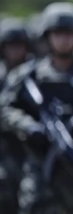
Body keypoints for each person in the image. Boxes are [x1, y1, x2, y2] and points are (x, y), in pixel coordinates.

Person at [0, 2, 73, 213]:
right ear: (47, 36)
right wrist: (28, 126)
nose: (63, 40)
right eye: (58, 33)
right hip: (41, 173)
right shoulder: (28, 76)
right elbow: (5, 109)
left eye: (69, 34)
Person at [0, 17, 32, 213]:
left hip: (29, 148)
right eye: (10, 46)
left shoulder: (34, 75)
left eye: (19, 45)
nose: (15, 51)